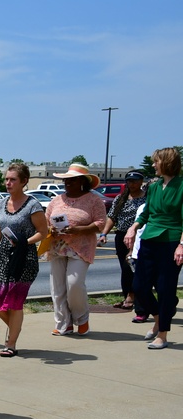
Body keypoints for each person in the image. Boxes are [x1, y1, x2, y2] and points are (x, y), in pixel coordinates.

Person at [0, 163, 48, 357]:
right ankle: (15, 327)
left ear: (24, 181)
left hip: (24, 257)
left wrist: (23, 243)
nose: (8, 183)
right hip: (3, 255)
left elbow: (43, 232)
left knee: (14, 302)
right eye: (6, 179)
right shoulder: (1, 204)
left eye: (13, 179)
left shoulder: (32, 205)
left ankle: (10, 344)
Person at [124, 147, 183, 349]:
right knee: (140, 286)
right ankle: (158, 317)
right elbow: (146, 212)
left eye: (156, 161)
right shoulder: (155, 186)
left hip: (171, 241)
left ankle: (163, 334)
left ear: (166, 162)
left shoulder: (182, 186)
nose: (153, 165)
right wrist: (133, 228)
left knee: (166, 289)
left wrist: (181, 245)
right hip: (149, 238)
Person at [44, 163, 107, 337]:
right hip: (57, 247)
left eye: (72, 180)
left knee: (74, 285)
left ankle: (82, 318)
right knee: (57, 288)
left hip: (80, 248)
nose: (67, 183)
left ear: (82, 181)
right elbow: (45, 222)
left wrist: (79, 230)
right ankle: (63, 323)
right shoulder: (56, 200)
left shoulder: (93, 200)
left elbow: (100, 223)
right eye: (66, 180)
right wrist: (51, 230)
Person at [98, 170, 147, 311]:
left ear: (141, 182)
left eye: (135, 181)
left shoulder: (146, 198)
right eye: (130, 181)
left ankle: (133, 296)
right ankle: (127, 295)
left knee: (132, 267)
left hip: (139, 236)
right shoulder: (121, 198)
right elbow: (112, 217)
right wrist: (104, 233)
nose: (132, 184)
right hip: (122, 236)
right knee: (124, 268)